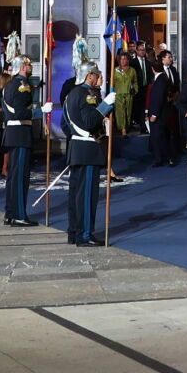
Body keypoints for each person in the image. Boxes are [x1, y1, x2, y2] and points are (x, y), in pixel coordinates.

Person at [64, 67, 108, 245]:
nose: (100, 79)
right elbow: (90, 121)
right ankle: (85, 234)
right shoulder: (86, 94)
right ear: (89, 76)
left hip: (77, 147)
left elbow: (67, 123)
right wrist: (106, 106)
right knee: (87, 195)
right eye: (98, 76)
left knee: (76, 194)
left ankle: (74, 231)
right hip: (88, 149)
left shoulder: (71, 94)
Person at [1, 58, 39, 225]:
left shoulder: (10, 84)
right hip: (20, 133)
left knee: (14, 176)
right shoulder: (22, 85)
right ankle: (18, 214)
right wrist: (39, 112)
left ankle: (10, 212)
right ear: (23, 67)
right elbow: (20, 112)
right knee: (20, 177)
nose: (30, 66)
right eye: (28, 64)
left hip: (13, 133)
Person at [147, 54, 181, 166]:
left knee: (157, 137)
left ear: (152, 69)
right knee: (164, 136)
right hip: (165, 113)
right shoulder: (163, 78)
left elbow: (158, 98)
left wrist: (154, 115)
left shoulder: (160, 80)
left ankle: (159, 159)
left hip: (160, 114)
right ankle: (168, 157)